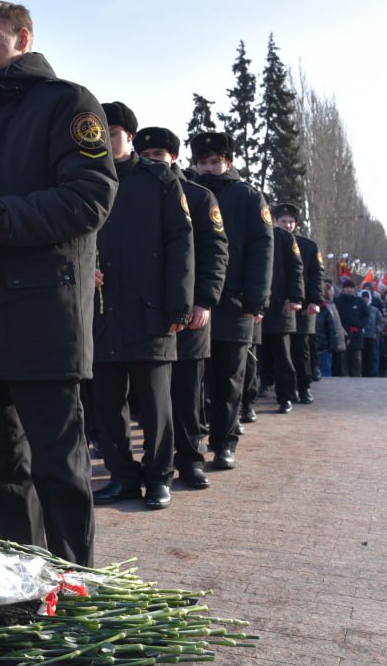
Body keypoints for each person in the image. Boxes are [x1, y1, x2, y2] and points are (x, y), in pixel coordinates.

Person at [0, 1, 117, 565]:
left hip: (43, 320)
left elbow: (91, 198)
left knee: (58, 470)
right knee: (0, 474)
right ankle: (20, 585)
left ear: (23, 37)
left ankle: (76, 588)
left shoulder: (66, 103)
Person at [87, 108, 193, 511]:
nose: (104, 140)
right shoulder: (86, 179)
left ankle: (159, 477)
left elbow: (181, 243)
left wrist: (179, 305)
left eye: (112, 133)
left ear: (128, 136)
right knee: (107, 401)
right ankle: (122, 476)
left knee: (154, 401)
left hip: (150, 309)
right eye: (97, 133)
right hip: (101, 311)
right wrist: (82, 270)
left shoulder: (159, 180)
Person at [134, 127, 227, 492]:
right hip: (147, 313)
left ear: (173, 158)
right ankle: (155, 463)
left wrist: (204, 300)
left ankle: (190, 460)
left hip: (190, 313)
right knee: (152, 399)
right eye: (147, 155)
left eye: (160, 155)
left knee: (187, 395)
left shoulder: (198, 197)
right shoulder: (130, 193)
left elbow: (215, 252)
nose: (153, 161)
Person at [190, 132, 272, 472]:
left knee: (228, 379)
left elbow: (261, 251)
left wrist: (256, 300)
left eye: (214, 162)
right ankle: (195, 437)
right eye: (203, 163)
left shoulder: (249, 197)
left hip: (235, 302)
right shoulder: (186, 193)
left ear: (228, 162)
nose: (209, 168)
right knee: (193, 380)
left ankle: (224, 443)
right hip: (193, 301)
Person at [271, 203, 324, 404]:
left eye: (291, 222)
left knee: (301, 351)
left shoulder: (308, 246)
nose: (287, 225)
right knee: (279, 351)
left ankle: (304, 387)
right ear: (277, 222)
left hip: (303, 308)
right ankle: (279, 388)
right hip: (280, 306)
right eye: (283, 221)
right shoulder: (271, 241)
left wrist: (315, 300)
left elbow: (317, 275)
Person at [258, 221, 304, 412]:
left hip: (279, 306)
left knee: (283, 354)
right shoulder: (251, 229)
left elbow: (296, 269)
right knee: (259, 354)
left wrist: (296, 297)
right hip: (255, 303)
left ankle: (286, 395)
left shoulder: (284, 238)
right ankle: (260, 386)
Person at [333, 277, 369, 377]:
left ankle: (357, 377)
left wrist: (360, 325)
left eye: (351, 287)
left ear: (354, 289)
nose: (349, 289)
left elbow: (365, 315)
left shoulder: (359, 301)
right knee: (343, 358)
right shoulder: (338, 301)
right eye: (347, 287)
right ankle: (345, 378)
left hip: (356, 334)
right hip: (343, 333)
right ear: (343, 289)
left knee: (357, 358)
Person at [315, 283, 346, 377]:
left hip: (324, 347)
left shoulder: (327, 307)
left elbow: (334, 329)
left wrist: (334, 346)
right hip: (315, 346)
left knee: (325, 373)